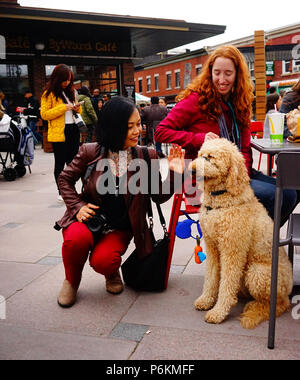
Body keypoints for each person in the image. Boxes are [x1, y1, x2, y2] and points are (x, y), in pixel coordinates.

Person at [54, 96, 185, 307]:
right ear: (114, 127)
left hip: (119, 228)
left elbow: (158, 196)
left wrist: (175, 174)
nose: (138, 130)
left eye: (138, 124)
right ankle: (71, 281)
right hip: (88, 220)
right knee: (74, 241)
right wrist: (77, 207)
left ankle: (111, 272)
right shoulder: (90, 151)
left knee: (104, 260)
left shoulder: (145, 155)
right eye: (130, 126)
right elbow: (64, 179)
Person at [155, 45, 297, 226]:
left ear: (237, 74)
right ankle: (252, 241)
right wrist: (199, 139)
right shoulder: (195, 100)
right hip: (203, 180)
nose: (222, 79)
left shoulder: (241, 101)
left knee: (291, 192)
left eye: (228, 73)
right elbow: (160, 132)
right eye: (217, 73)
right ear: (210, 73)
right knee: (272, 196)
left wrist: (240, 177)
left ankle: (259, 240)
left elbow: (245, 148)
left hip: (236, 174)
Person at [40, 63, 82, 202]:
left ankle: (72, 189)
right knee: (60, 163)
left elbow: (77, 111)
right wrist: (63, 107)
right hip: (59, 132)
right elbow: (44, 114)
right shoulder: (48, 94)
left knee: (73, 163)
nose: (67, 82)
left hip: (73, 129)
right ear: (57, 78)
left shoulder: (71, 91)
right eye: (65, 80)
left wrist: (77, 108)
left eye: (70, 79)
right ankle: (61, 191)